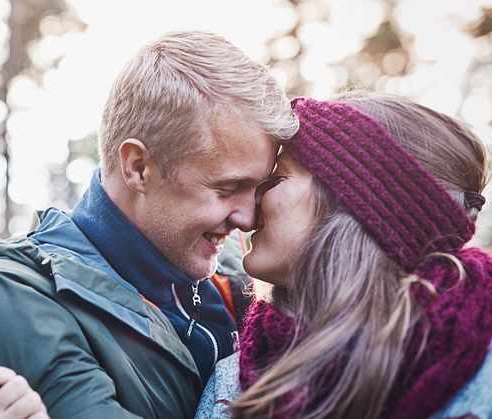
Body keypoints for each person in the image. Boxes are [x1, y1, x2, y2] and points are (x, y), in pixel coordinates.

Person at [0, 30, 299, 419]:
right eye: (227, 188)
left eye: (259, 187)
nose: (246, 218)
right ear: (138, 168)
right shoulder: (9, 298)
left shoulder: (243, 280)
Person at [196, 92, 492, 419]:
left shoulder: (484, 368)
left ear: (356, 205)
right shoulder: (232, 385)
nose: (248, 210)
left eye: (276, 179)